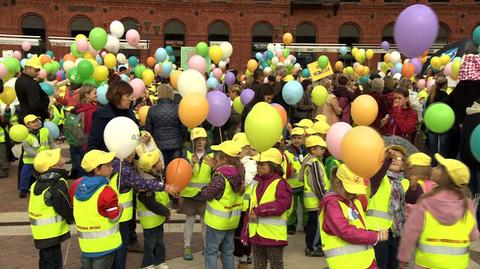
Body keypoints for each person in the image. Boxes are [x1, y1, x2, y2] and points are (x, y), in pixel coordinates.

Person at [398, 154, 479, 269]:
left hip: (426, 264)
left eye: (440, 167)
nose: (434, 168)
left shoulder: (426, 202)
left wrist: (403, 258)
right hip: (457, 264)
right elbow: (474, 235)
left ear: (445, 176)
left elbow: (410, 232)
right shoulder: (468, 204)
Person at [320, 164, 388, 269]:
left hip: (364, 260)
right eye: (349, 191)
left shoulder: (354, 201)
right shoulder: (332, 204)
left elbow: (375, 180)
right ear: (337, 183)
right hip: (346, 263)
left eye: (356, 190)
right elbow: (344, 230)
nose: (353, 194)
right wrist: (374, 236)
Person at [241, 148, 292, 269]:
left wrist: (260, 210)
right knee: (258, 264)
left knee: (276, 265)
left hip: (273, 235)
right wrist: (245, 231)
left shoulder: (280, 183)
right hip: (256, 234)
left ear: (274, 165)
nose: (258, 167)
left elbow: (282, 205)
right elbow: (250, 210)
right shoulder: (256, 182)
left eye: (262, 164)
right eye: (258, 164)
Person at [71, 150, 123, 269]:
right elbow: (114, 217)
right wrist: (121, 209)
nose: (111, 168)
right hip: (105, 245)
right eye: (108, 165)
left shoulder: (78, 187)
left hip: (86, 245)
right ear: (97, 170)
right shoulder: (106, 191)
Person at [201, 140, 244, 269]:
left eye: (217, 158)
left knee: (211, 252)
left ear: (224, 158)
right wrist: (215, 167)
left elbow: (208, 194)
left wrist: (203, 188)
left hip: (217, 223)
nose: (215, 159)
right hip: (231, 221)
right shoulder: (240, 171)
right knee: (228, 252)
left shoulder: (220, 176)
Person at [29, 148, 73, 269]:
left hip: (40, 232)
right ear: (54, 165)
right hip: (53, 231)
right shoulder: (58, 182)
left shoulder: (35, 184)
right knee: (54, 258)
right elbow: (64, 205)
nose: (62, 158)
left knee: (45, 258)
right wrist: (72, 217)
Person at [366, 146, 409, 269]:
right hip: (377, 232)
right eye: (393, 157)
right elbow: (378, 173)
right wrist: (386, 160)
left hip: (396, 233)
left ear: (404, 165)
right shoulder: (378, 178)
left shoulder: (406, 183)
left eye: (399, 158)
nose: (395, 160)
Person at [179, 127, 212, 260]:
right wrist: (190, 166)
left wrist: (215, 166)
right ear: (192, 141)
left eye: (203, 139)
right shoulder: (186, 154)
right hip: (190, 194)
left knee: (205, 222)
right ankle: (187, 247)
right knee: (190, 221)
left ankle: (206, 246)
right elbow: (181, 173)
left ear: (206, 141)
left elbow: (216, 174)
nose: (200, 142)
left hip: (205, 195)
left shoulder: (212, 155)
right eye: (197, 140)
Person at [137, 150, 171, 269]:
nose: (161, 162)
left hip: (158, 218)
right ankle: (147, 263)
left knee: (159, 241)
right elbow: (151, 204)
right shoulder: (147, 184)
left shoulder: (157, 176)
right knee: (150, 242)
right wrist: (166, 212)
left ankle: (159, 261)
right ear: (152, 167)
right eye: (158, 161)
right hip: (150, 220)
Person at [298, 135, 330, 256]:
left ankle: (312, 245)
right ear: (313, 150)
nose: (323, 150)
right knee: (315, 226)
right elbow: (317, 183)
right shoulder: (314, 163)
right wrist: (324, 198)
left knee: (313, 224)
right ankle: (312, 248)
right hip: (316, 202)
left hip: (313, 202)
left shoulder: (309, 160)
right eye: (321, 148)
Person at [88, 80, 137, 152]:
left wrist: (143, 136)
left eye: (131, 95)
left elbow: (136, 132)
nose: (131, 98)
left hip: (128, 159)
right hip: (107, 160)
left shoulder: (130, 113)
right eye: (127, 96)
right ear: (117, 97)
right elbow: (94, 142)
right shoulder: (101, 114)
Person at [145, 84, 186, 167]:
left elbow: (149, 129)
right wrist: (182, 139)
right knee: (175, 170)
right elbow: (183, 127)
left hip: (158, 144)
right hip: (176, 144)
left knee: (162, 169)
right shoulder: (178, 108)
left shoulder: (152, 109)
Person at [233, 132, 257, 267]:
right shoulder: (236, 162)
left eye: (240, 148)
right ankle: (239, 255)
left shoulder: (251, 165)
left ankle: (244, 257)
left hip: (246, 206)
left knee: (243, 233)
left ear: (247, 148)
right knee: (236, 233)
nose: (237, 151)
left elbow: (244, 181)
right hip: (235, 204)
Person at [20, 114, 55, 198]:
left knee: (45, 173)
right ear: (27, 125)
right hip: (30, 160)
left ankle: (46, 187)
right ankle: (23, 190)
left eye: (36, 121)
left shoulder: (45, 131)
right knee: (25, 174)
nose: (35, 123)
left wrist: (53, 151)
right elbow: (27, 148)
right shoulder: (25, 135)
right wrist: (37, 155)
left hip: (44, 159)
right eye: (32, 122)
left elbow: (51, 142)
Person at [67, 84, 98, 178]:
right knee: (86, 171)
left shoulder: (78, 107)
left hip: (77, 141)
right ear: (87, 95)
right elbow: (90, 129)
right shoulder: (91, 110)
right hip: (86, 143)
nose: (97, 95)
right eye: (94, 93)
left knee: (81, 166)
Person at [459, 98, 480, 225]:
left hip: (467, 157)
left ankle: (469, 218)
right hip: (478, 160)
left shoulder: (469, 115)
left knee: (471, 191)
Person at [285, 127, 307, 234]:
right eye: (294, 138)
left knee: (306, 206)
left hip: (304, 184)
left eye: (299, 138)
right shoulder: (287, 152)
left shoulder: (306, 151)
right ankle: (291, 225)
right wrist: (289, 170)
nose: (296, 140)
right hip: (291, 185)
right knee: (292, 208)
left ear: (303, 139)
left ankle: (306, 225)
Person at [15, 56, 50, 121]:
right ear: (28, 68)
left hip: (24, 116)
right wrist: (47, 114)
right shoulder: (31, 83)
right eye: (36, 70)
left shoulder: (19, 80)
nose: (38, 73)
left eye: (39, 70)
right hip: (34, 119)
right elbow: (35, 106)